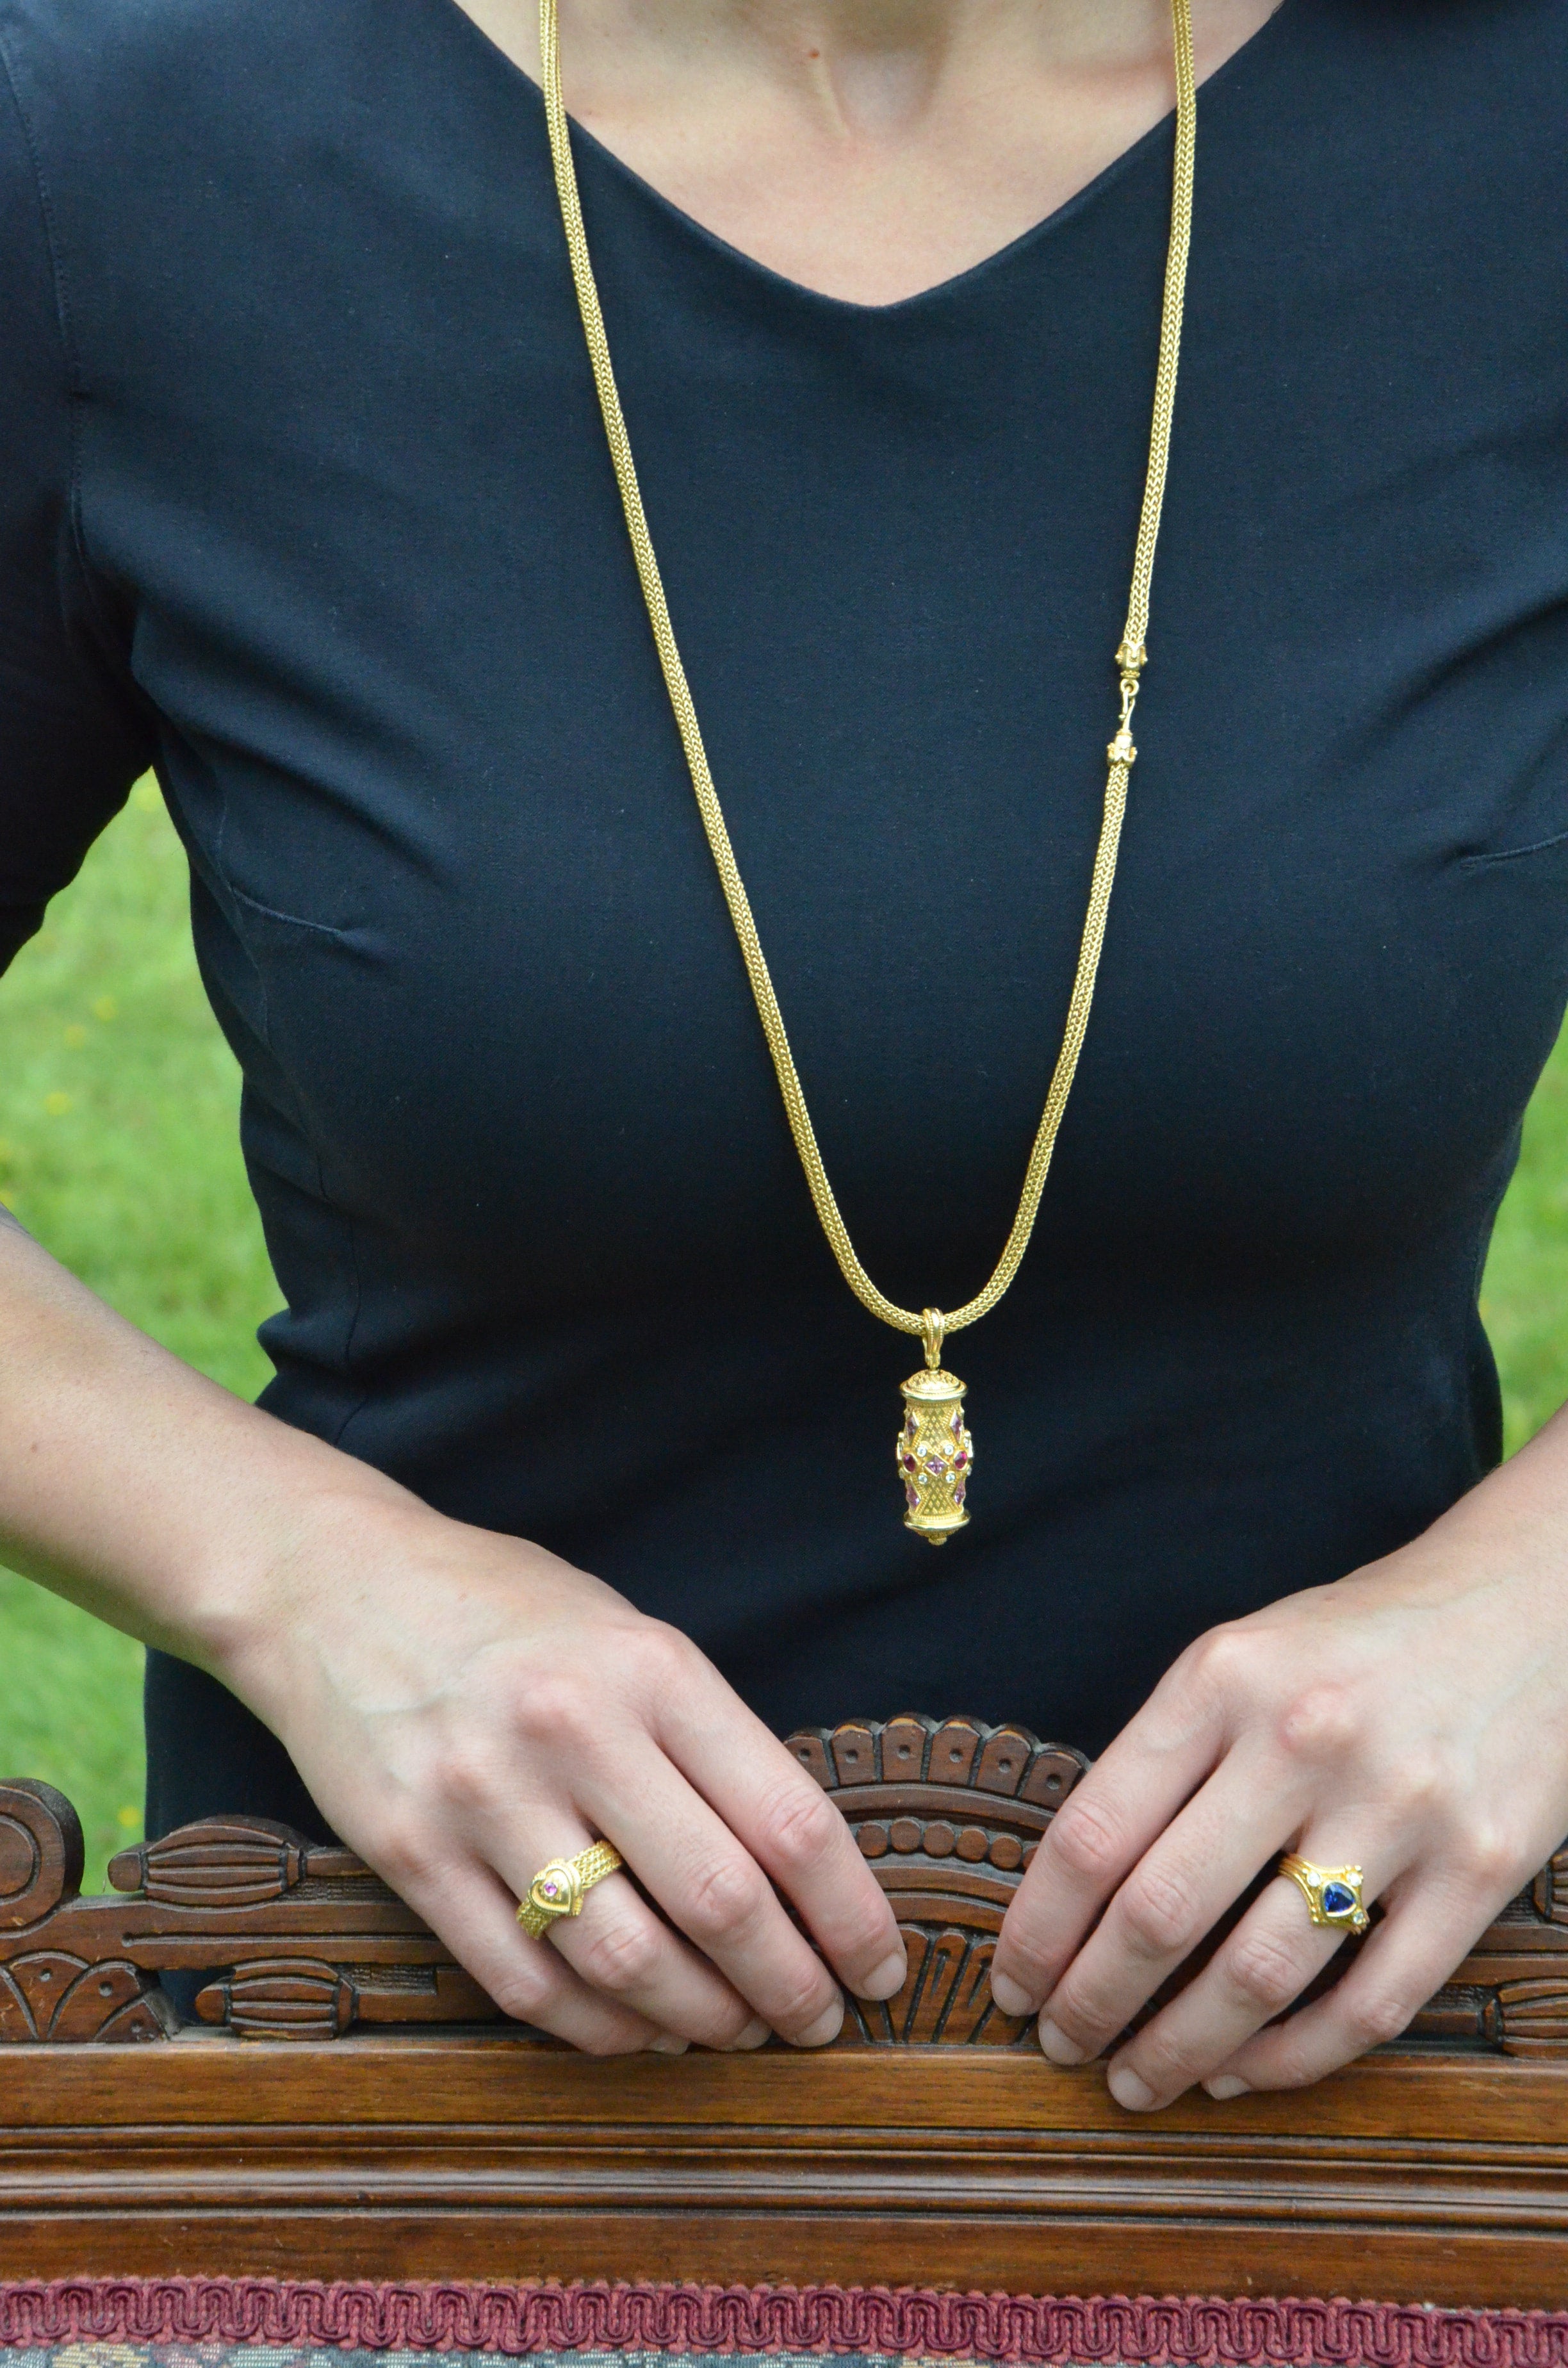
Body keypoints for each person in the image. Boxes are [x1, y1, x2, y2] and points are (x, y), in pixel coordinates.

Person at [4, 0, 1568, 2114]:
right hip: (403, 2088)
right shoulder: (118, 142)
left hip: (1387, 2083)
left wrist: (1536, 1607)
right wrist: (295, 1578)